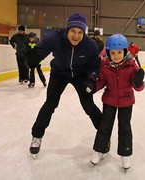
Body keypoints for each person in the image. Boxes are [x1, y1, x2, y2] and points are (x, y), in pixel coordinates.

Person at [29, 13, 103, 158]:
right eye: (73, 31)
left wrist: (91, 78)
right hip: (59, 73)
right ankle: (36, 136)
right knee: (50, 104)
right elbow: (42, 49)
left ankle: (103, 134)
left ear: (84, 33)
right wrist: (34, 56)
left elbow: (95, 66)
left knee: (88, 104)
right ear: (67, 30)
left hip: (80, 75)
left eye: (80, 32)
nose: (76, 35)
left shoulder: (90, 45)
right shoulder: (56, 38)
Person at [89, 34, 145, 171]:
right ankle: (100, 150)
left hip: (126, 102)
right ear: (108, 52)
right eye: (113, 53)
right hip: (109, 101)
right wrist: (92, 86)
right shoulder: (105, 66)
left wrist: (138, 82)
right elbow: (101, 82)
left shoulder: (132, 66)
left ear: (125, 51)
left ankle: (125, 153)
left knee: (125, 128)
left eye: (119, 52)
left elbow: (138, 87)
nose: (116, 55)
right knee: (105, 126)